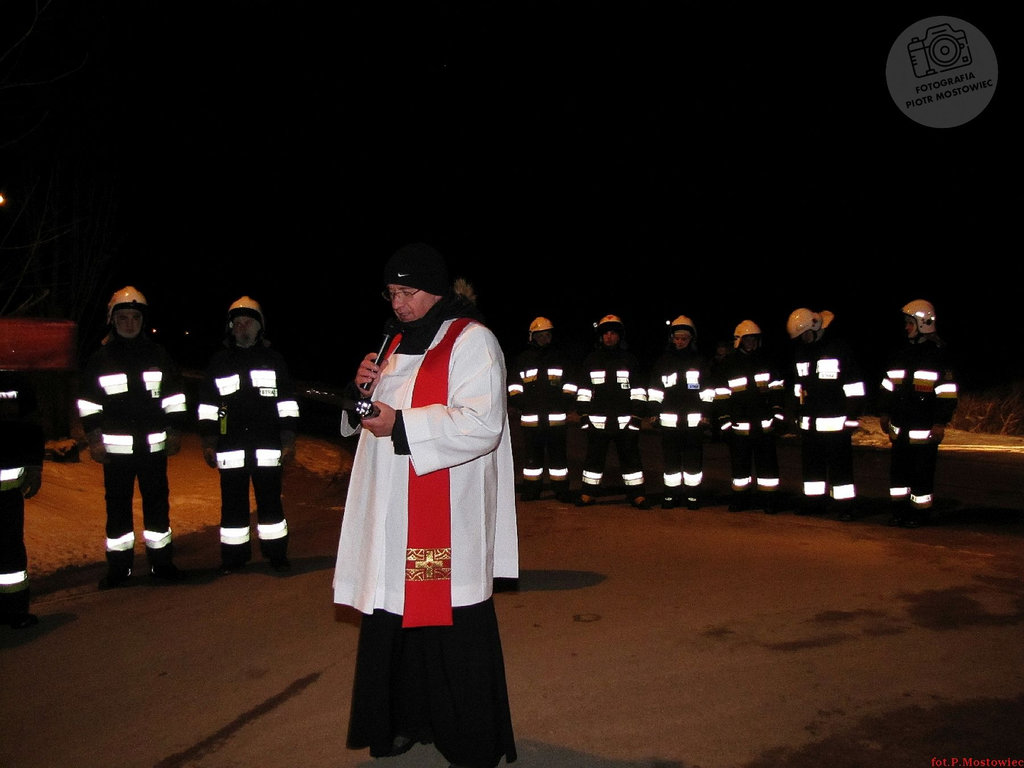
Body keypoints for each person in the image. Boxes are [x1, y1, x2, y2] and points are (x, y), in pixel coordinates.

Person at [332, 242, 519, 768]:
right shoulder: (392, 341)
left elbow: (482, 424)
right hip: (389, 512)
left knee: (445, 622)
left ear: (436, 289)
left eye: (407, 291)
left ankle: (466, 737)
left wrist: (402, 426)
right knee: (394, 615)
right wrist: (357, 393)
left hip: (442, 516)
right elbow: (369, 415)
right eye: (391, 292)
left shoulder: (473, 341)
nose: (398, 303)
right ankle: (402, 721)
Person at [77, 286, 187, 589]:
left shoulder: (158, 355)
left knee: (157, 507)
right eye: (123, 317)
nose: (129, 323)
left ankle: (161, 564)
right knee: (117, 510)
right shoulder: (101, 359)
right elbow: (88, 403)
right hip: (116, 454)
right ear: (112, 320)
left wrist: (174, 430)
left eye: (135, 317)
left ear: (143, 320)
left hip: (153, 450)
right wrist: (94, 438)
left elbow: (175, 397)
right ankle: (119, 569)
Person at [196, 296, 299, 574]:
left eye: (248, 323)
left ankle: (276, 555)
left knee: (270, 502)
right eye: (237, 323)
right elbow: (208, 405)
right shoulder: (219, 362)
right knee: (232, 505)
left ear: (259, 327)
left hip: (267, 445)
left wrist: (288, 439)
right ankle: (233, 558)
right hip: (231, 446)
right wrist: (208, 440)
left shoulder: (273, 360)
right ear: (230, 328)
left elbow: (287, 403)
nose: (242, 328)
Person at [878, 299, 958, 528]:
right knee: (898, 473)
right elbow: (887, 385)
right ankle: (899, 511)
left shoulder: (938, 355)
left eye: (910, 323)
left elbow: (947, 393)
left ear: (923, 323)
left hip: (924, 428)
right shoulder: (901, 353)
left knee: (921, 473)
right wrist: (884, 412)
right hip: (900, 426)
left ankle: (920, 514)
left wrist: (940, 422)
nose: (906, 327)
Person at [785, 307, 866, 521]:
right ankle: (814, 503)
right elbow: (798, 386)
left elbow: (854, 386)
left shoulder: (838, 349)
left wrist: (852, 417)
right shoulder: (802, 352)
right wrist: (795, 412)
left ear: (815, 327)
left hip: (836, 424)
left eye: (805, 335)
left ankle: (845, 507)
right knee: (812, 468)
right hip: (810, 424)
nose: (803, 339)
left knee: (840, 468)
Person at [575, 314, 651, 509]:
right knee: (593, 459)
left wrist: (637, 416)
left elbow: (639, 390)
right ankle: (588, 493)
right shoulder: (591, 360)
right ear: (601, 336)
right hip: (597, 422)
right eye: (606, 333)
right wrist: (583, 415)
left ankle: (637, 495)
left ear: (619, 336)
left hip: (625, 421)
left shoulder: (629, 360)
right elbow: (583, 390)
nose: (609, 337)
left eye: (613, 333)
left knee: (631, 460)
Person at [711, 320, 786, 513]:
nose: (751, 343)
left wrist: (777, 414)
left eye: (754, 339)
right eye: (747, 339)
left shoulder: (767, 361)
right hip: (739, 425)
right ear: (739, 341)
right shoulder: (729, 364)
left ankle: (769, 500)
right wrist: (725, 422)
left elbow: (777, 389)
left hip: (764, 425)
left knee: (768, 466)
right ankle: (740, 499)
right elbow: (721, 395)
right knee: (740, 467)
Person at [506, 317, 578, 503]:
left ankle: (561, 490)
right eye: (540, 335)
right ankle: (531, 490)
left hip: (556, 419)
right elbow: (513, 387)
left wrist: (563, 403)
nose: (544, 339)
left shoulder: (560, 358)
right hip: (531, 419)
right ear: (532, 337)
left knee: (558, 458)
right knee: (532, 459)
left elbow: (570, 385)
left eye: (547, 335)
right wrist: (524, 404)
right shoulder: (523, 360)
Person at [646, 315, 713, 509]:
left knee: (693, 461)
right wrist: (654, 412)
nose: (680, 341)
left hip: (694, 423)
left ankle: (692, 496)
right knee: (671, 462)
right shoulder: (663, 362)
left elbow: (708, 391)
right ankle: (671, 495)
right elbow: (655, 390)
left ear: (691, 339)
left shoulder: (700, 362)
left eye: (684, 338)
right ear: (672, 339)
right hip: (669, 423)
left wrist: (707, 414)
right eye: (677, 338)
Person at [0, 370, 44, 628]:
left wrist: (35, 466)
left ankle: (14, 610)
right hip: (8, 487)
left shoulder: (15, 381)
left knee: (9, 550)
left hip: (7, 490)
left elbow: (31, 426)